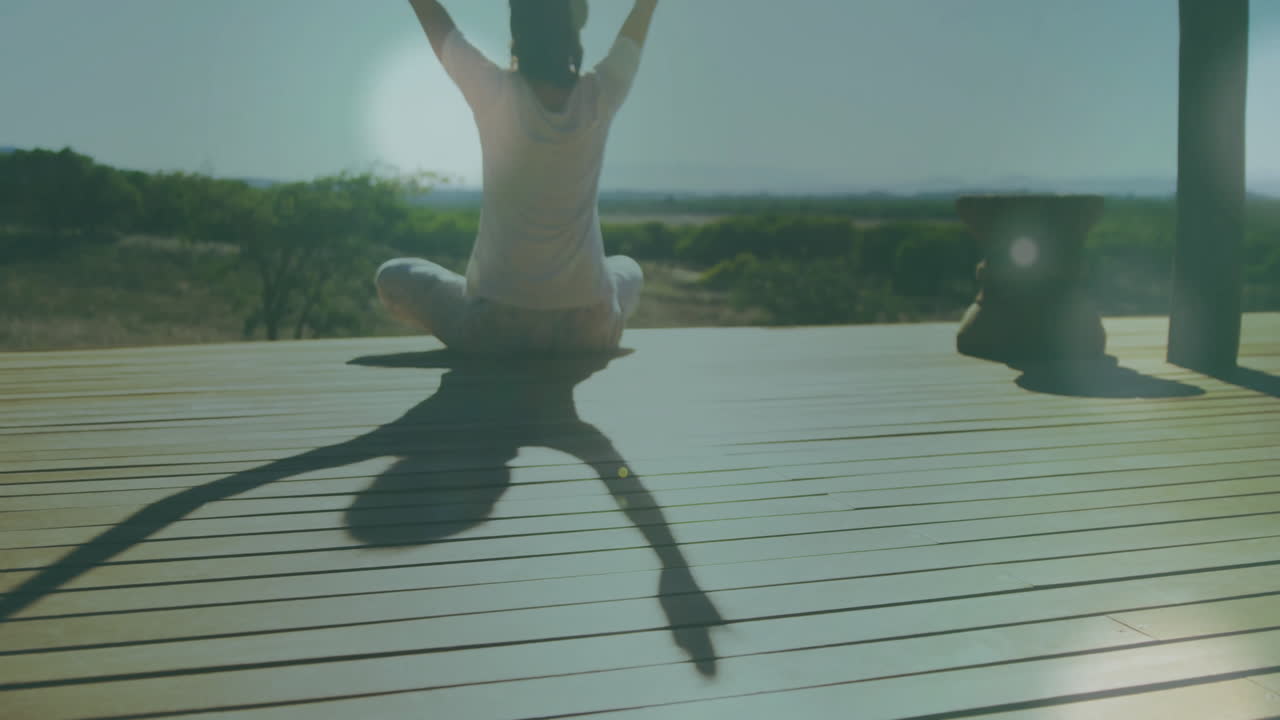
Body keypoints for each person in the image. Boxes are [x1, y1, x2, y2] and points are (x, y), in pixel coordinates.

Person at [378, 0, 659, 353]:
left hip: (496, 330)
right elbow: (632, 37)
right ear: (574, 34)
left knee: (392, 274)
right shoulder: (600, 94)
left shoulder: (493, 91)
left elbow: (443, 32)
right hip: (588, 329)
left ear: (517, 33)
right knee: (627, 267)